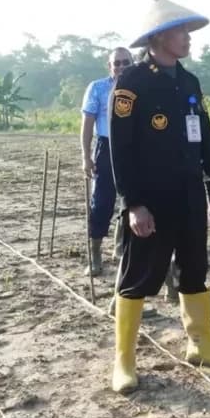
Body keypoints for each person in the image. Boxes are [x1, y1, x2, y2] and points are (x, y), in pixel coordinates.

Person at [108, 0, 210, 394]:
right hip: (151, 198)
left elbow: (205, 135)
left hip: (188, 193)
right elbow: (120, 148)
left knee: (195, 268)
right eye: (181, 31)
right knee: (137, 277)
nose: (188, 39)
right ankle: (124, 362)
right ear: (160, 36)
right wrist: (133, 203)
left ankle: (201, 345)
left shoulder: (188, 80)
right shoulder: (131, 83)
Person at [81, 47, 133, 276]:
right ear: (109, 66)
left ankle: (121, 248)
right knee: (101, 202)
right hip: (106, 149)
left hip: (134, 150)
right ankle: (95, 255)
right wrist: (85, 156)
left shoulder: (141, 86)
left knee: (132, 200)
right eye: (117, 63)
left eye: (126, 63)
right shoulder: (98, 88)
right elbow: (88, 122)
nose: (122, 67)